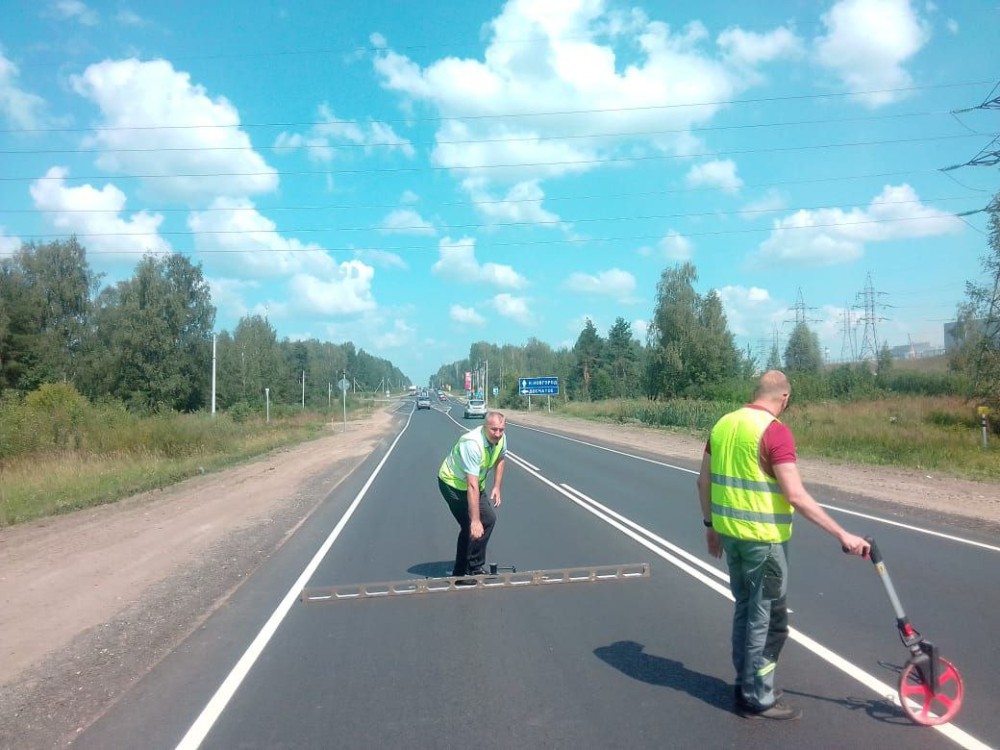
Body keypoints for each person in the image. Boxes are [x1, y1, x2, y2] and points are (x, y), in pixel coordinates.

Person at [696, 370, 870, 720]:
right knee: (766, 620)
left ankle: (745, 683)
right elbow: (795, 495)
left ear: (757, 391)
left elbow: (703, 482)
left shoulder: (724, 424)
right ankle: (757, 696)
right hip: (764, 542)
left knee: (746, 609)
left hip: (731, 537)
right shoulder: (774, 431)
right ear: (785, 398)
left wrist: (710, 527)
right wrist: (843, 534)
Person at [438, 410, 507, 578]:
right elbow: (471, 485)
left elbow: (500, 459)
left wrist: (497, 487)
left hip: (475, 485)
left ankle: (475, 566)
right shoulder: (472, 444)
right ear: (485, 427)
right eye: (494, 429)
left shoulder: (501, 438)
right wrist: (475, 520)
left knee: (489, 519)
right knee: (470, 525)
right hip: (452, 484)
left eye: (501, 429)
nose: (498, 434)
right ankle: (460, 573)